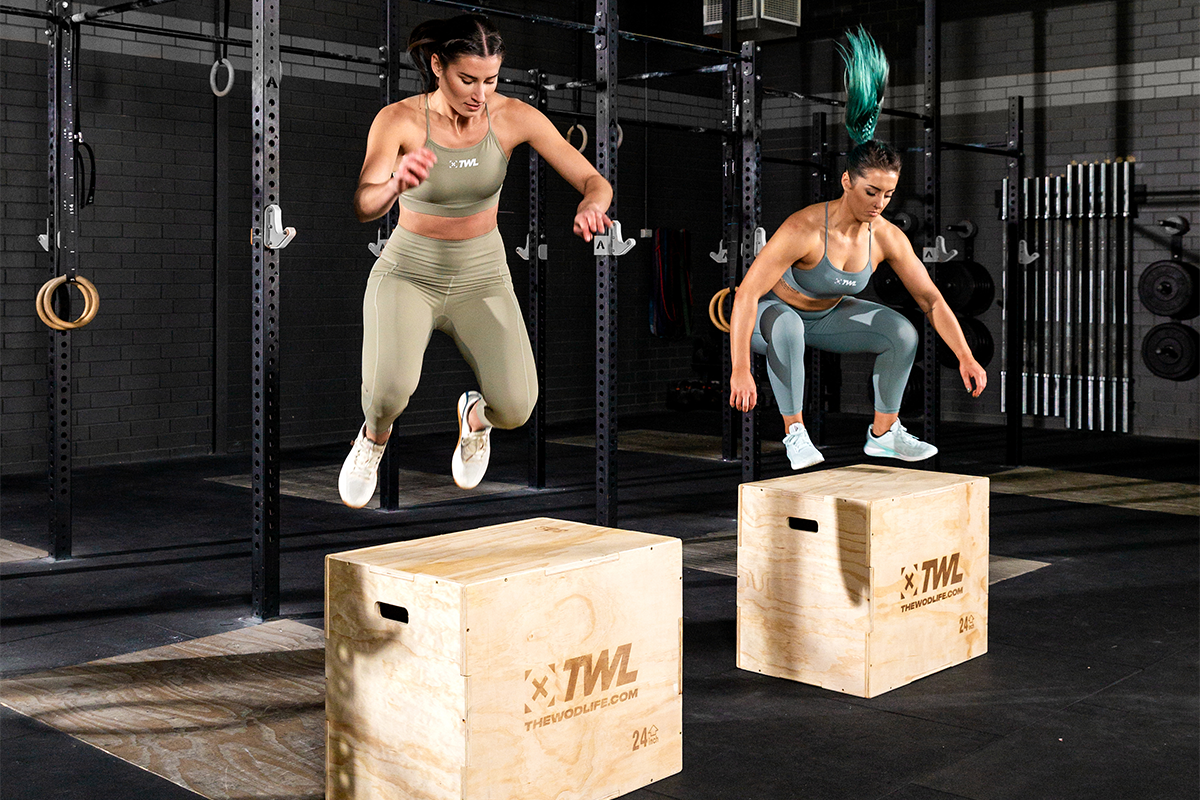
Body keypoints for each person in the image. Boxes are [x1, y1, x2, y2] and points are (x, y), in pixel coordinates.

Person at [339, 14, 613, 507]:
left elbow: (596, 181)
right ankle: (373, 440)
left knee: (516, 407)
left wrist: (592, 204)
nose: (480, 93)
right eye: (468, 79)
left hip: (482, 275)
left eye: (491, 79)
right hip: (409, 272)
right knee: (388, 394)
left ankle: (473, 420)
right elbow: (363, 204)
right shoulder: (399, 120)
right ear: (437, 66)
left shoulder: (512, 117)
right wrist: (397, 182)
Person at [727, 28, 987, 470]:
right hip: (768, 318)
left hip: (826, 318)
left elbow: (932, 300)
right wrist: (739, 369)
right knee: (788, 326)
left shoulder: (886, 236)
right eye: (871, 192)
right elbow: (748, 294)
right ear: (847, 182)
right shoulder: (805, 227)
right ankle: (795, 433)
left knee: (902, 330)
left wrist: (966, 355)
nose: (879, 203)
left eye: (888, 195)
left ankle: (884, 434)